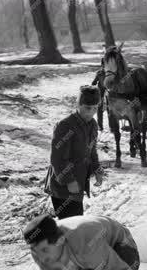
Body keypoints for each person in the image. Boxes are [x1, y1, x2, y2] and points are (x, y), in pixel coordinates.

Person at [44, 85, 104, 219]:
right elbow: (57, 158)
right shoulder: (65, 126)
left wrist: (97, 169)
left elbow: (92, 151)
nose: (92, 112)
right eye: (88, 108)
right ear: (79, 105)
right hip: (62, 186)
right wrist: (69, 180)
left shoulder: (93, 125)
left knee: (75, 223)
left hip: (79, 183)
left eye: (95, 108)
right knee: (70, 226)